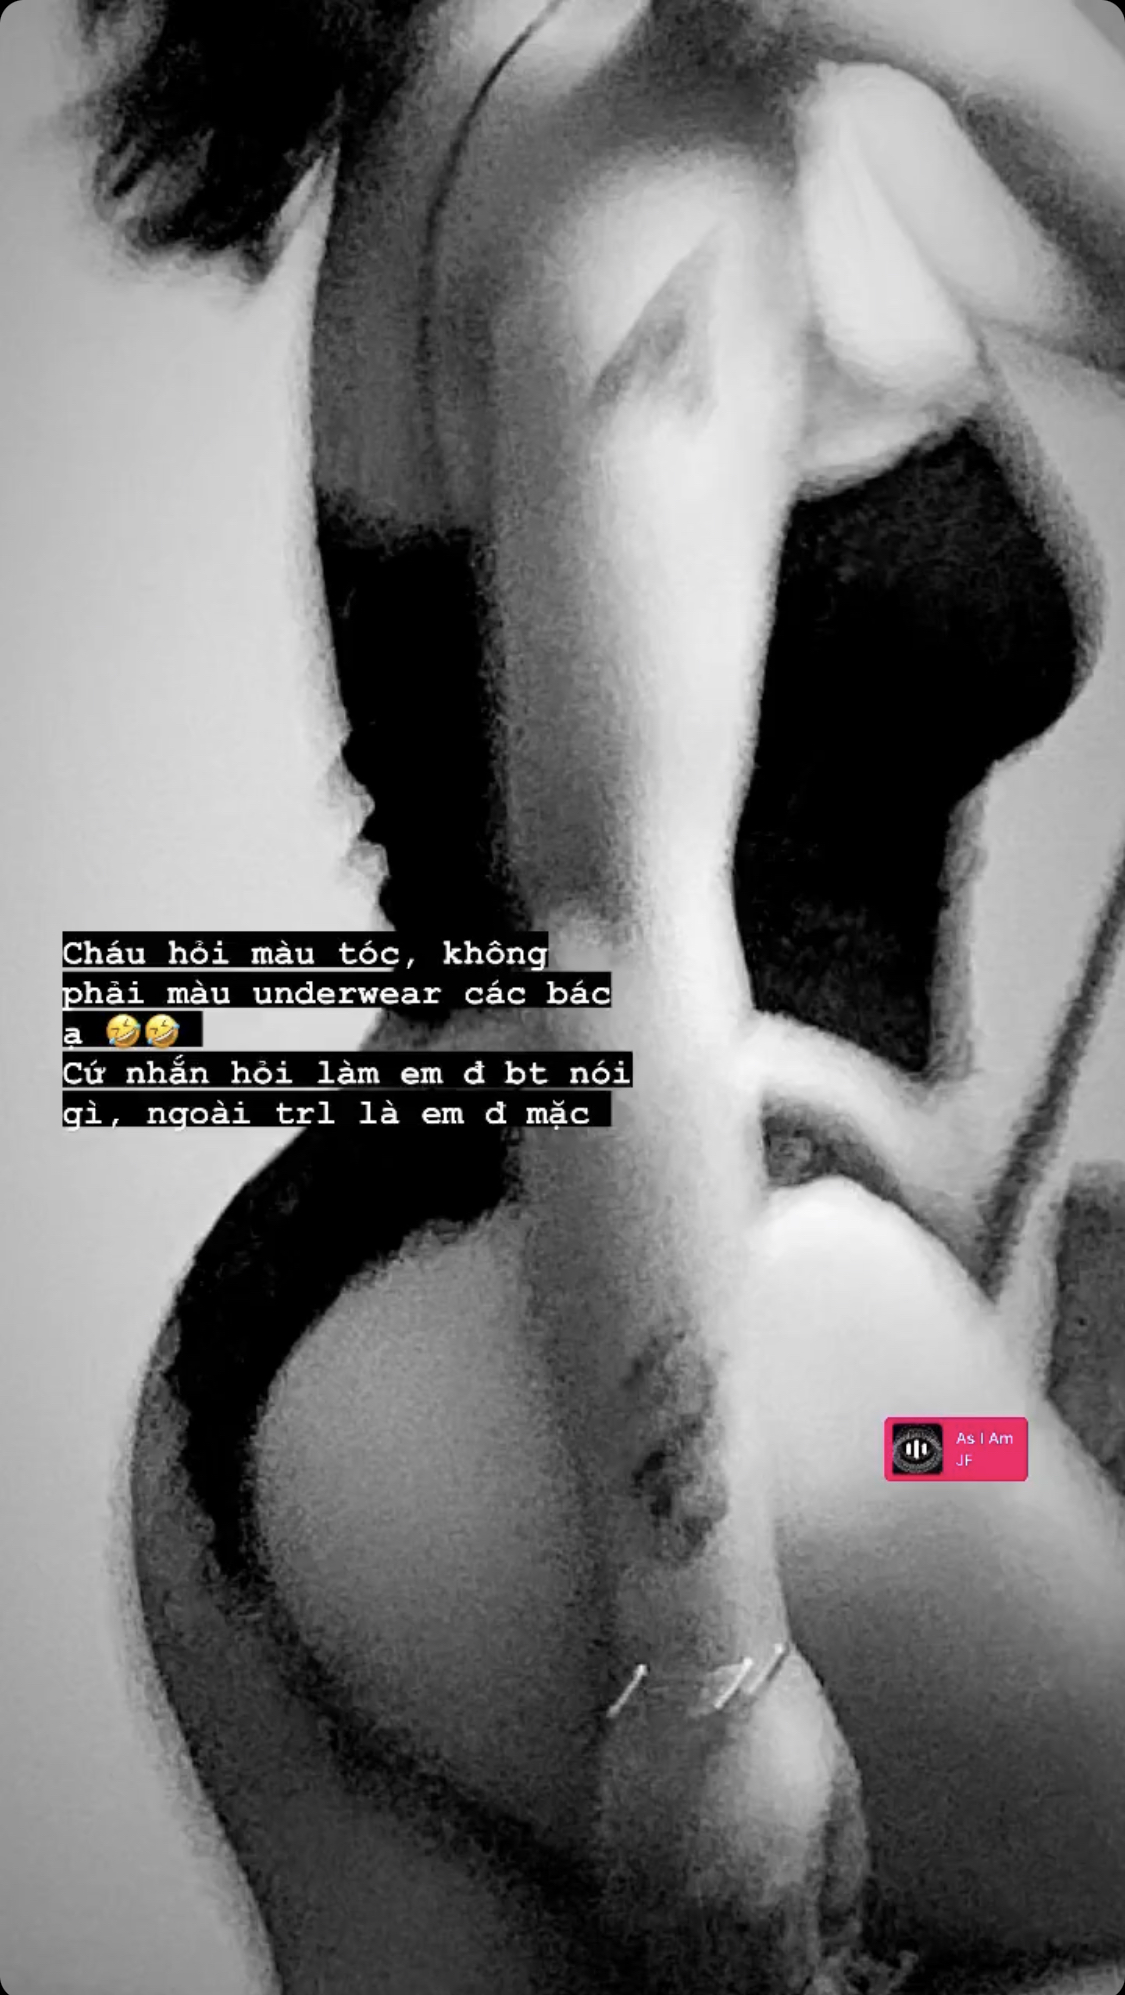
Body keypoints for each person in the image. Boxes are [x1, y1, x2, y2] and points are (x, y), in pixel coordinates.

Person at [79, 0, 1125, 1988]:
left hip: (345, 1382)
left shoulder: (583, 94)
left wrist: (964, 34)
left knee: (998, 1460)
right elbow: (607, 917)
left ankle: (1030, 1435)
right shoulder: (633, 121)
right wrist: (704, 1666)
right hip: (674, 1368)